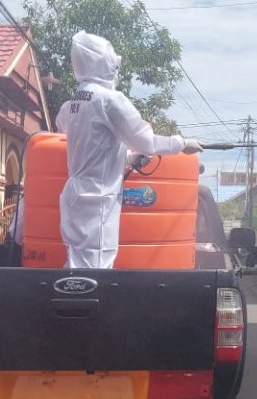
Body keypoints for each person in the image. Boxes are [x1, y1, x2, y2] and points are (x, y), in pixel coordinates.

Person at [56, 30, 201, 269]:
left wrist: (129, 158)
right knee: (96, 269)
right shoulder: (109, 100)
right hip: (98, 199)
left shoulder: (71, 105)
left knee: (76, 263)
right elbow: (147, 142)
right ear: (101, 63)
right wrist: (182, 143)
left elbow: (92, 149)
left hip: (74, 196)